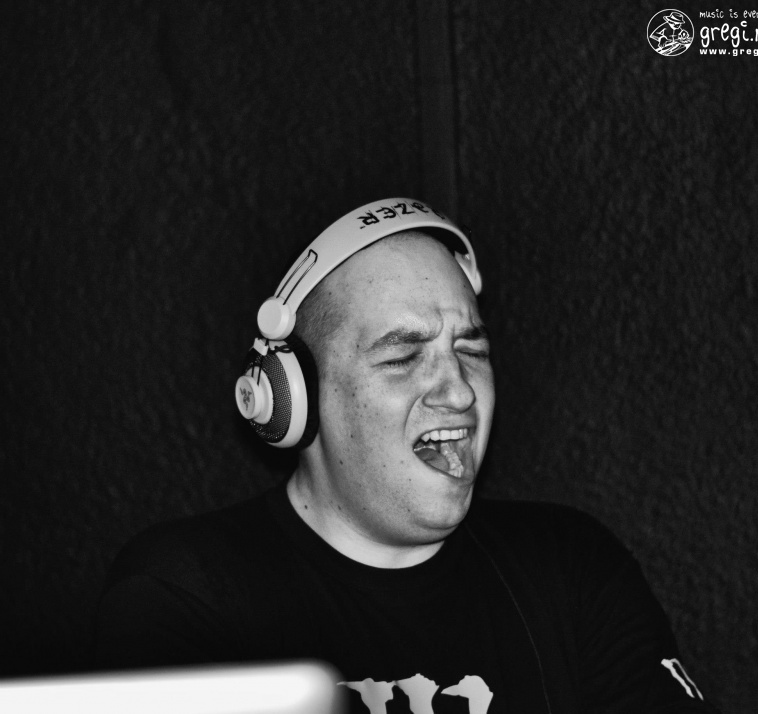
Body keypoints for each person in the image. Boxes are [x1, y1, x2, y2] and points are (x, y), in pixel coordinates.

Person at [95, 199, 717, 713]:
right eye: (401, 357)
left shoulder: (573, 569)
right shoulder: (186, 595)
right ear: (293, 398)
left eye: (470, 351)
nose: (459, 391)